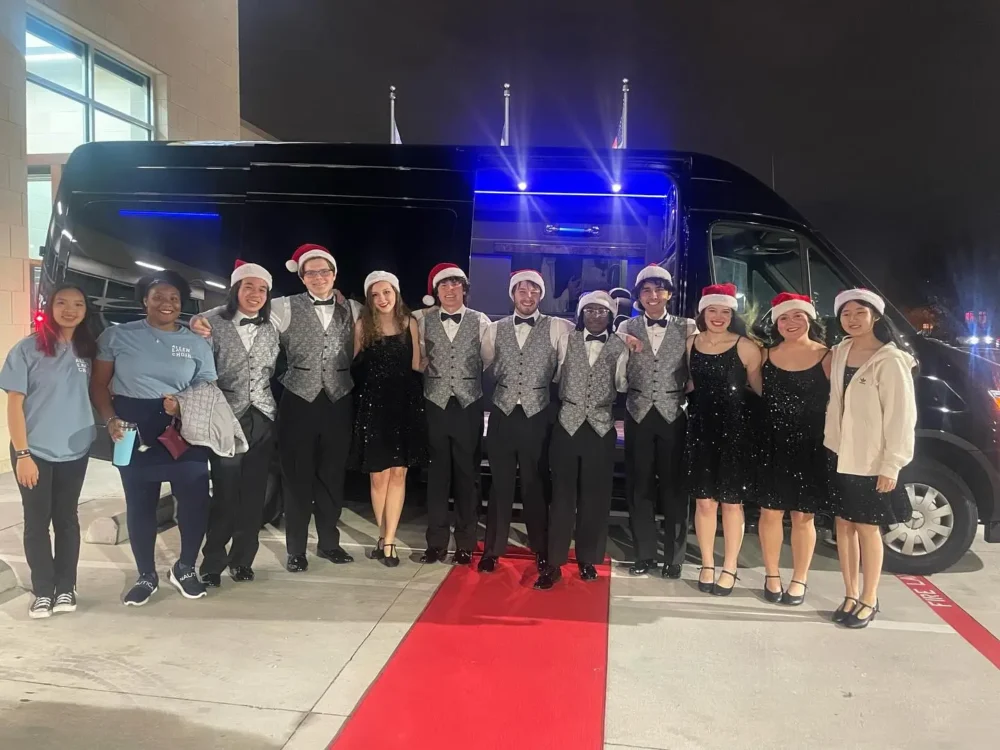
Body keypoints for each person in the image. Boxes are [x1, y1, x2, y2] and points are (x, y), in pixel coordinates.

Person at [191, 244, 361, 573]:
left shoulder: (352, 308)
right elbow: (227, 315)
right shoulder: (282, 307)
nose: (318, 278)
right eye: (310, 272)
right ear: (300, 275)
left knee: (331, 477)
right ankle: (295, 550)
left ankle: (329, 543)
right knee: (293, 477)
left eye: (324, 271)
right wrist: (198, 320)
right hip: (296, 399)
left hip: (338, 399)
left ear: (335, 275)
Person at [91, 272, 218, 606]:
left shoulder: (195, 341)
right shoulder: (117, 336)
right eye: (158, 297)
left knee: (194, 500)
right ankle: (146, 574)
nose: (167, 304)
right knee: (140, 502)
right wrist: (109, 420)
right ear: (144, 300)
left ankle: (186, 567)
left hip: (184, 426)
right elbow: (99, 385)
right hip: (130, 427)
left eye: (174, 298)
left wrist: (184, 402)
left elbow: (207, 382)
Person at [1, 285, 97, 618]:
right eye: (62, 303)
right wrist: (22, 453)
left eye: (78, 304)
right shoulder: (27, 349)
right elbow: (14, 404)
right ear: (49, 306)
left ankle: (66, 587)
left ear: (86, 309)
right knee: (37, 522)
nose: (70, 310)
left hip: (75, 450)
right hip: (34, 451)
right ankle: (44, 590)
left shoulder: (89, 349)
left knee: (67, 520)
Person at [825, 289, 916, 628]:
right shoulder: (840, 352)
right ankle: (849, 593)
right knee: (843, 527)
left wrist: (892, 464)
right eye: (845, 313)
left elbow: (901, 417)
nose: (852, 319)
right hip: (839, 455)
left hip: (870, 459)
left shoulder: (890, 360)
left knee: (867, 528)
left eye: (859, 312)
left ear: (875, 316)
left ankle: (869, 597)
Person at [478, 269, 573, 574]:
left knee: (535, 485)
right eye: (522, 291)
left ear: (541, 295)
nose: (528, 296)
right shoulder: (494, 329)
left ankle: (541, 549)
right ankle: (493, 549)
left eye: (534, 291)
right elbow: (489, 365)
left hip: (538, 416)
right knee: (500, 486)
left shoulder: (557, 327)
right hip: (503, 415)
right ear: (513, 294)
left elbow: (566, 362)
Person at [534, 291, 629, 589]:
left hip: (600, 427)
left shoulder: (621, 345)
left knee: (595, 498)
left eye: (602, 311)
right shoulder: (566, 340)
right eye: (590, 310)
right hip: (567, 424)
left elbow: (622, 384)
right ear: (581, 313)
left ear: (611, 315)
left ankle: (588, 559)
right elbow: (554, 377)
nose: (596, 316)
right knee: (562, 497)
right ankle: (554, 562)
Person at [199, 261, 279, 587]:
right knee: (224, 494)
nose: (255, 294)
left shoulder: (272, 327)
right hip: (225, 417)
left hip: (263, 417)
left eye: (262, 289)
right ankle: (212, 562)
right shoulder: (211, 324)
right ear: (235, 290)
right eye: (249, 287)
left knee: (254, 495)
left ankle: (243, 559)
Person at [685, 283, 762, 596]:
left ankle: (729, 566)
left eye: (725, 311)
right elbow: (688, 384)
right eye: (713, 310)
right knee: (704, 502)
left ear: (733, 314)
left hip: (735, 432)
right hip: (701, 428)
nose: (718, 316)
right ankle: (706, 562)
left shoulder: (746, 347)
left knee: (731, 504)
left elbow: (760, 391)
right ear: (703, 312)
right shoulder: (690, 343)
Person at [620, 264, 696, 578]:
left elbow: (695, 369)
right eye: (646, 291)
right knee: (640, 486)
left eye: (658, 289)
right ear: (639, 295)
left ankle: (675, 557)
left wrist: (682, 392)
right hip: (637, 411)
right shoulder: (625, 326)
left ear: (668, 293)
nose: (653, 296)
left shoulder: (688, 326)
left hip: (674, 413)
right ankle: (645, 554)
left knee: (675, 487)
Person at [757, 293, 832, 606]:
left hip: (811, 444)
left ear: (810, 319)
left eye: (798, 316)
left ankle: (799, 578)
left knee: (804, 516)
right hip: (772, 442)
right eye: (784, 318)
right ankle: (772, 574)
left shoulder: (828, 355)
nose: (790, 323)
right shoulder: (765, 354)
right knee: (770, 511)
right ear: (776, 322)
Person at [351, 271, 427, 567]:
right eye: (376, 294)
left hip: (405, 405)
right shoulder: (362, 326)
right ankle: (381, 537)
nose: (382, 299)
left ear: (396, 293)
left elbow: (416, 364)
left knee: (399, 475)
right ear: (369, 299)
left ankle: (390, 541)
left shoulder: (410, 324)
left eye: (387, 293)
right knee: (378, 476)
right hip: (373, 406)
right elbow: (351, 366)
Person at [415, 263, 490, 565]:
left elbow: (487, 360)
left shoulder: (481, 320)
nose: (450, 290)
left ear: (464, 289)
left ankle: (465, 543)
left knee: (467, 476)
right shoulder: (422, 321)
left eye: (455, 284)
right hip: (434, 403)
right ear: (436, 291)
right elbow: (418, 357)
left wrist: (464, 381)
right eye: (444, 285)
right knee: (436, 476)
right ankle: (435, 543)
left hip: (468, 405)